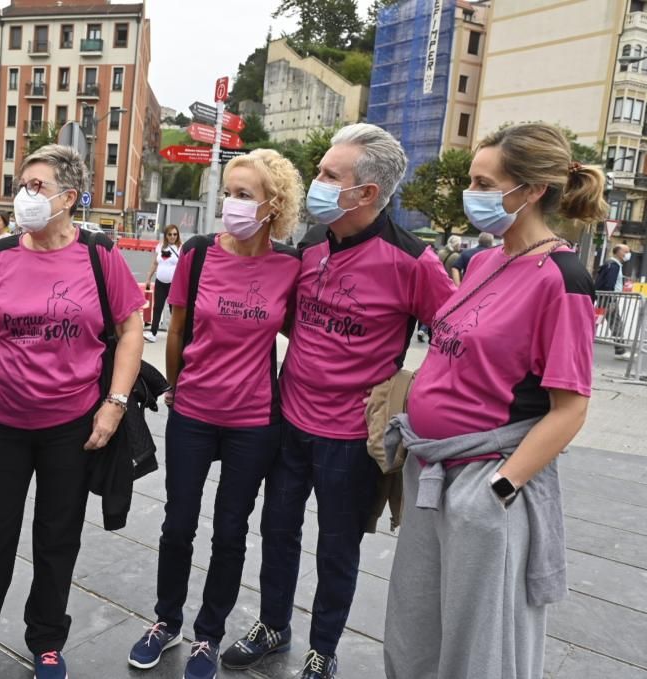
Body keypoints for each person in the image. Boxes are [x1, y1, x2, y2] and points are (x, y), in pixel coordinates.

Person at [222, 124, 456, 679]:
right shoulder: (308, 247)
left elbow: (456, 338)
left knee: (337, 548)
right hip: (289, 419)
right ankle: (274, 624)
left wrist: (412, 397)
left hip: (352, 438)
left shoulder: (414, 261)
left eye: (330, 175)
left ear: (367, 193)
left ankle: (322, 649)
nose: (317, 183)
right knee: (276, 529)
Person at [383, 123, 606, 679]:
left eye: (485, 182)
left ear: (529, 190)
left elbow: (571, 407)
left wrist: (500, 486)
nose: (472, 192)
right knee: (415, 629)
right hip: (433, 470)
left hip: (485, 484)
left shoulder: (563, 277)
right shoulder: (484, 261)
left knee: (480, 644)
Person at [0, 144, 145, 679]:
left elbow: (129, 331)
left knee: (57, 539)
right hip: (2, 421)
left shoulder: (100, 255)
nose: (24, 195)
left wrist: (114, 405)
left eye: (37, 185)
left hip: (72, 427)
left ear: (68, 197)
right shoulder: (1, 254)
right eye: (22, 183)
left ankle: (47, 640)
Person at [127, 149, 303, 679]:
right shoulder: (199, 254)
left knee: (230, 529)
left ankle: (209, 633)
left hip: (254, 420)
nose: (231, 203)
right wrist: (178, 387)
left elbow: (302, 332)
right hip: (194, 413)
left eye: (245, 195)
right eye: (229, 191)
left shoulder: (290, 265)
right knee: (178, 522)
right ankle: (166, 620)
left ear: (274, 204)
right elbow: (176, 330)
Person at [143, 224, 182, 343]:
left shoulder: (180, 247)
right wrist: (149, 277)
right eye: (170, 234)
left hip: (173, 284)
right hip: (160, 282)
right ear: (165, 235)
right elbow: (155, 263)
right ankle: (153, 333)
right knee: (157, 307)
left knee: (173, 310)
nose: (172, 237)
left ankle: (177, 334)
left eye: (175, 234)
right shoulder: (160, 246)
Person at [594, 243, 632, 358]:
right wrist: (610, 301)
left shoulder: (611, 264)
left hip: (604, 299)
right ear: (619, 252)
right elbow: (609, 284)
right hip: (608, 300)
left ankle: (578, 343)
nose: (628, 254)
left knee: (596, 322)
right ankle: (620, 351)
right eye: (626, 252)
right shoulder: (613, 266)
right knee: (616, 324)